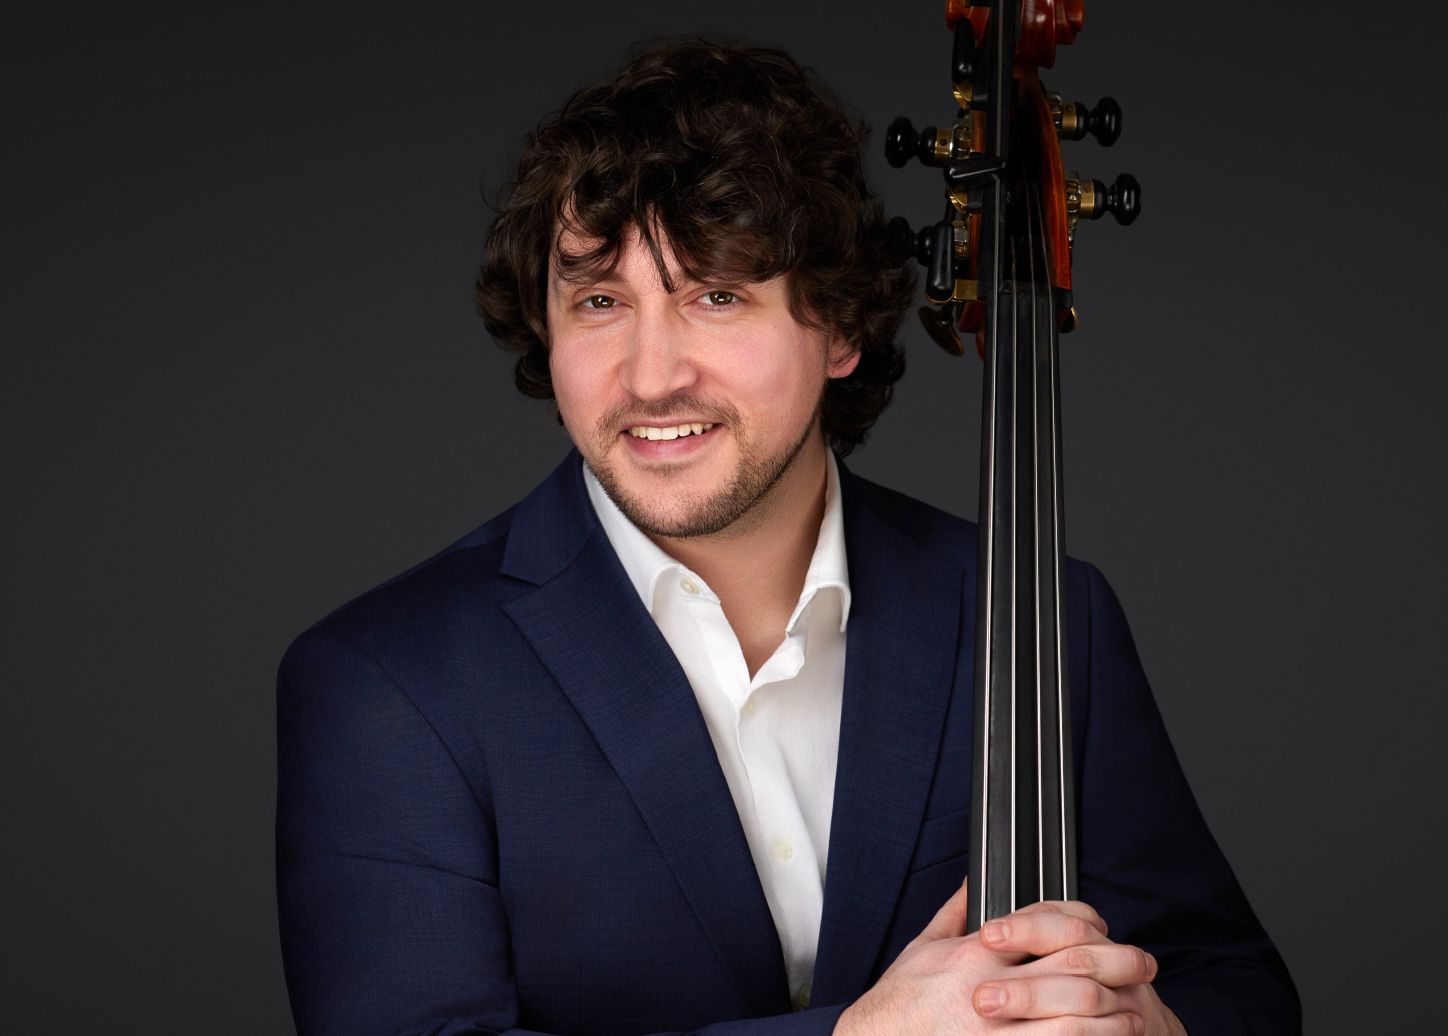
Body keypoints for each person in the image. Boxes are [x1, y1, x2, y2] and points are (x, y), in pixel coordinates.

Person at [276, 40, 1299, 1036]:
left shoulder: (1043, 616)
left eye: (714, 296)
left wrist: (1149, 1023)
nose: (649, 375)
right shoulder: (387, 681)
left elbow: (1230, 984)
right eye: (598, 301)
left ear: (839, 326)